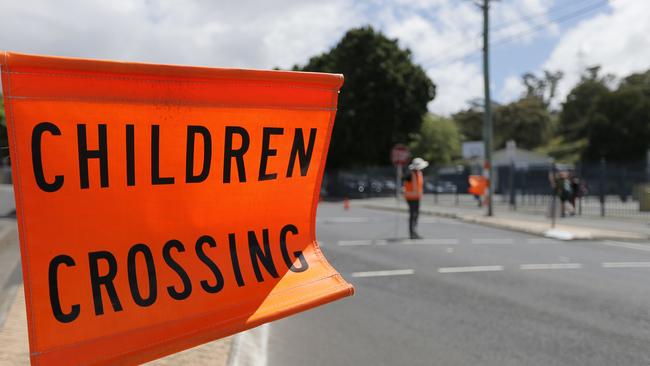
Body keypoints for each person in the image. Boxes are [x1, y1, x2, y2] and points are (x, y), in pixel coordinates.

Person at [403, 157, 428, 239]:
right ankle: (412, 232)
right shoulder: (410, 174)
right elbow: (404, 179)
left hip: (416, 197)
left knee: (415, 215)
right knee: (413, 215)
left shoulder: (418, 173)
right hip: (411, 198)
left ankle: (414, 232)